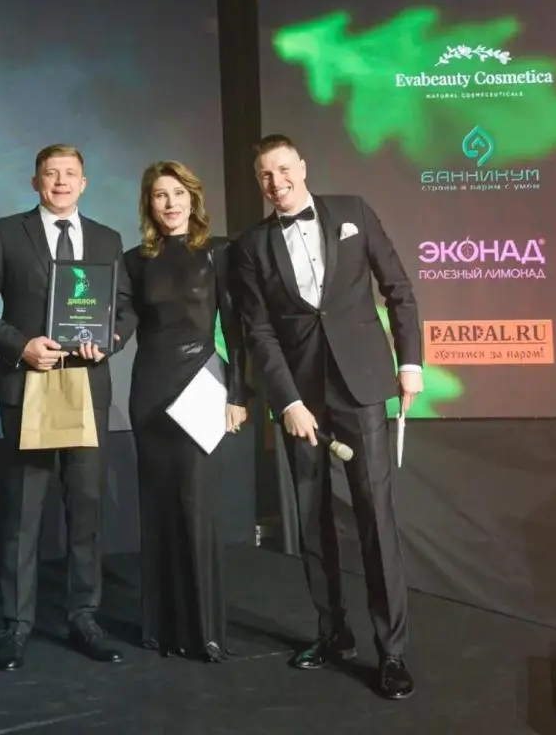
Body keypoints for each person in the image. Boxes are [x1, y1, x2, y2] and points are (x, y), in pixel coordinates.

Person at [230, 134, 421, 701]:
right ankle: (333, 633)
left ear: (303, 167)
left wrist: (410, 363)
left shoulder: (352, 210)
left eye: (283, 169)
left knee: (375, 517)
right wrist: (287, 402)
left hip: (362, 387)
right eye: (265, 175)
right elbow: (258, 331)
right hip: (301, 399)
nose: (276, 182)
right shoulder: (251, 246)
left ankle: (391, 652)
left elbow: (398, 288)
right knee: (313, 521)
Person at [0, 143, 134, 671]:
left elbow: (124, 309)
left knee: (86, 509)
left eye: (70, 174)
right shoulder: (5, 232)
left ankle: (84, 617)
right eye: (51, 173)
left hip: (87, 384)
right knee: (23, 512)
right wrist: (20, 346)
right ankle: (16, 624)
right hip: (28, 384)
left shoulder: (107, 238)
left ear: (84, 182)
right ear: (35, 181)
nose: (60, 181)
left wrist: (108, 341)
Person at [122, 161, 246, 663]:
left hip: (201, 388)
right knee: (158, 507)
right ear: (149, 205)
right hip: (149, 390)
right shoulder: (135, 260)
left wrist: (238, 395)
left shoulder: (219, 252)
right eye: (159, 195)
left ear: (193, 198)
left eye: (177, 193)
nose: (170, 203)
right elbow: (123, 322)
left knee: (196, 505)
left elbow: (236, 329)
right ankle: (160, 629)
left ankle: (203, 632)